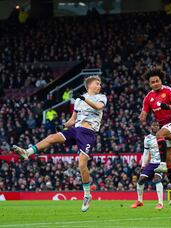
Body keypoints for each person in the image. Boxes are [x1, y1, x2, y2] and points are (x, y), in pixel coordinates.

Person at [12, 75, 107, 213]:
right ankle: (28, 152)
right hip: (76, 130)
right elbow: (72, 120)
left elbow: (98, 107)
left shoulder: (101, 97)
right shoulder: (79, 101)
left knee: (82, 164)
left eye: (100, 84)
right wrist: (63, 126)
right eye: (97, 83)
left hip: (88, 133)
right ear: (90, 85)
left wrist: (82, 98)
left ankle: (87, 195)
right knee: (51, 137)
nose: (100, 86)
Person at [139, 67, 171, 205]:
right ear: (149, 84)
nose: (155, 84)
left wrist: (168, 107)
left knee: (159, 134)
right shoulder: (148, 97)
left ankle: (162, 163)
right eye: (152, 82)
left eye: (157, 81)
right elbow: (144, 113)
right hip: (165, 128)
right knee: (170, 164)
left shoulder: (168, 90)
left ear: (161, 80)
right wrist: (142, 117)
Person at [132, 121, 164, 210]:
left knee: (157, 179)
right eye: (154, 125)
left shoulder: (163, 136)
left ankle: (160, 203)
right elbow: (146, 153)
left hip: (161, 162)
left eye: (157, 125)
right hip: (152, 162)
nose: (156, 127)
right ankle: (140, 201)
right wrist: (143, 165)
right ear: (151, 127)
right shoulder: (147, 139)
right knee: (140, 180)